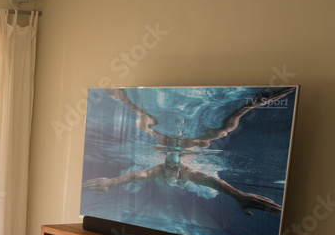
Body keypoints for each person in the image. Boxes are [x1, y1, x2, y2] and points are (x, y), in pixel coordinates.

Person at [82, 87, 293, 215]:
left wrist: (112, 182)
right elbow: (137, 175)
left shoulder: (173, 171)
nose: (173, 167)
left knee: (146, 124)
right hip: (190, 149)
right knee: (221, 133)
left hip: (174, 145)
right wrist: (238, 195)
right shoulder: (171, 172)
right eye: (171, 166)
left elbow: (211, 181)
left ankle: (124, 99)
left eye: (174, 165)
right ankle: (249, 105)